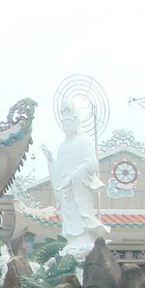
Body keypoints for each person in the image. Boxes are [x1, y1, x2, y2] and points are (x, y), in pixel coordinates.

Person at [41, 100, 110, 259]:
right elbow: (60, 169)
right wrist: (51, 160)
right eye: (63, 124)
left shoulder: (83, 140)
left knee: (81, 215)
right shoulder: (62, 146)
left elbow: (92, 163)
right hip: (66, 190)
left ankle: (84, 242)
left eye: (68, 123)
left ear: (75, 122)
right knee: (69, 217)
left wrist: (75, 175)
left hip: (78, 186)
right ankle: (73, 242)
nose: (65, 128)